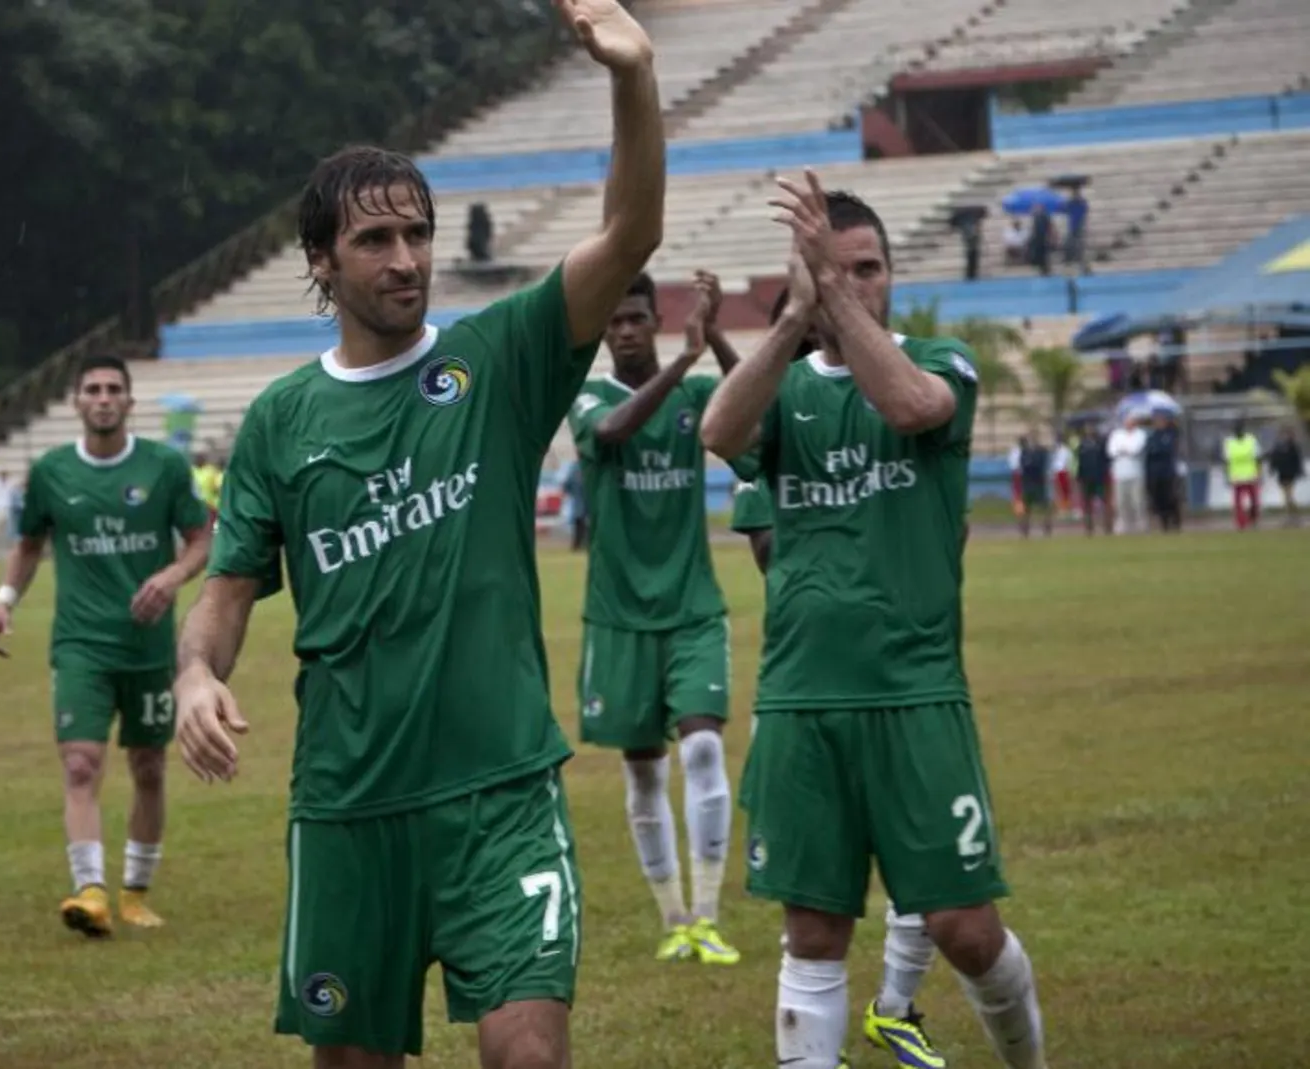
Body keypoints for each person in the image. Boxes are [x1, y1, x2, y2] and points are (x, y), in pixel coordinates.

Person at [171, 4, 665, 1063]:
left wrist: (632, 76)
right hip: (348, 805)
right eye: (374, 238)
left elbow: (629, 237)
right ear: (320, 260)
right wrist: (196, 677)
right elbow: (225, 593)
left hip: (500, 792)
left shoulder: (499, 360)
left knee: (526, 1052)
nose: (404, 259)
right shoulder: (280, 421)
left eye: (416, 233)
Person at [701, 176, 1048, 1069]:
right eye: (835, 268)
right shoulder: (784, 388)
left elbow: (910, 408)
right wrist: (789, 320)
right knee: (811, 932)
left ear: (892, 274)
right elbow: (717, 429)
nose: (854, 282)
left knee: (964, 927)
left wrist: (839, 305)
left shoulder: (941, 364)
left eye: (870, 268)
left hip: (915, 695)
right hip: (801, 701)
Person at [0, 355, 209, 933]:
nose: (103, 398)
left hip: (149, 647)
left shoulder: (163, 466)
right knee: (81, 765)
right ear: (77, 402)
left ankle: (135, 891)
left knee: (150, 766)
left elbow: (202, 537)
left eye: (114, 389)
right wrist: (5, 599)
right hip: (81, 645)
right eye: (93, 389)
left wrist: (173, 575)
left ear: (129, 403)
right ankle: (91, 891)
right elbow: (30, 544)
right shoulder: (53, 472)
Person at [566, 269, 743, 966]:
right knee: (644, 774)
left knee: (701, 748)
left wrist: (717, 333)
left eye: (637, 317)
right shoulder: (587, 396)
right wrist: (684, 361)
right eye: (614, 322)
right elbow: (613, 429)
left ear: (653, 319)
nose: (626, 330)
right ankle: (672, 918)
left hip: (693, 607)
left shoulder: (694, 393)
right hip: (619, 618)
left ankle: (707, 915)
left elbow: (757, 404)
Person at [1107, 416, 1148, 533]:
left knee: (1137, 501)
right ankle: (1123, 526)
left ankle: (1140, 525)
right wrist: (1124, 450)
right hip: (1120, 473)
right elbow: (1112, 451)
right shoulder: (1117, 435)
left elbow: (1135, 450)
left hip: (1136, 473)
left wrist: (1123, 449)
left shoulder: (1140, 434)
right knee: (1121, 502)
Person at [1144, 412, 1182, 533]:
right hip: (1155, 472)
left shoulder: (1170, 433)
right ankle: (1164, 522)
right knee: (1158, 498)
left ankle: (1175, 520)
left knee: (1170, 496)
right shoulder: (1153, 435)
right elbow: (1149, 451)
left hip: (1167, 471)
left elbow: (1166, 449)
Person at [1222, 419, 1262, 530]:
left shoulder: (1251, 440)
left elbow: (1258, 458)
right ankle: (1241, 523)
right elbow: (1226, 461)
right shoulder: (1229, 442)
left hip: (1250, 475)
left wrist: (1259, 473)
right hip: (1237, 476)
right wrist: (1226, 475)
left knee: (1254, 501)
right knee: (1238, 502)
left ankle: (1253, 519)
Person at [1075, 426, 1112, 536]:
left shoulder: (1102, 444)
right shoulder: (1082, 446)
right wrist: (1079, 476)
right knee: (1087, 503)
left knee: (1104, 501)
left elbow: (1106, 461)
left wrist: (1105, 475)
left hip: (1099, 477)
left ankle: (1107, 527)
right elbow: (1080, 462)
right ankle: (1089, 527)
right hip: (1086, 478)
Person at [1015, 435, 1052, 538]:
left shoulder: (1042, 452)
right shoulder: (1024, 453)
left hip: (1039, 482)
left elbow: (1041, 466)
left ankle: (1047, 528)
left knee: (1045, 506)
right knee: (1027, 507)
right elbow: (1023, 466)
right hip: (1028, 483)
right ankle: (1025, 529)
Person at [1268, 429, 1302, 526]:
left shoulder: (1292, 447)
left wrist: (1298, 471)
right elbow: (1274, 459)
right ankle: (1292, 516)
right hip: (1282, 474)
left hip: (1289, 474)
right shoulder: (1279, 447)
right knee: (1287, 496)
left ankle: (1292, 516)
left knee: (1288, 495)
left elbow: (1296, 460)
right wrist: (1273, 468)